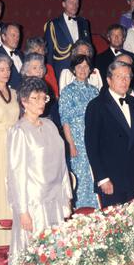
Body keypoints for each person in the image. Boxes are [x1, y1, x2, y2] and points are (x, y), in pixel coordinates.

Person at [7, 77, 72, 265]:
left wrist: (66, 195)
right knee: (34, 255)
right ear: (24, 101)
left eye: (43, 98)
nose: (40, 102)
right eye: (35, 98)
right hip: (33, 203)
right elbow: (16, 174)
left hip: (55, 199)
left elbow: (62, 164)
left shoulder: (50, 125)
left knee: (55, 252)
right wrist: (22, 211)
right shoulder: (19, 131)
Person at [85, 61, 134, 208]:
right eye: (119, 76)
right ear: (108, 80)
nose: (124, 80)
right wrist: (102, 178)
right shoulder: (96, 105)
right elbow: (91, 146)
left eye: (127, 76)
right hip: (111, 178)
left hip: (132, 176)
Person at [59, 55, 99, 208]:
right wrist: (71, 144)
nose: (82, 70)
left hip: (94, 140)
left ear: (90, 70)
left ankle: (96, 213)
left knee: (94, 175)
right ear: (73, 69)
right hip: (77, 141)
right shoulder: (67, 92)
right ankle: (81, 215)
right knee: (80, 178)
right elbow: (65, 120)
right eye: (79, 66)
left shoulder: (95, 92)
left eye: (86, 66)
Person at [0, 54, 20, 247]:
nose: (6, 73)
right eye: (1, 69)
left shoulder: (14, 93)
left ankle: (13, 237)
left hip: (14, 145)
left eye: (8, 69)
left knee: (11, 188)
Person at [44, 0, 92, 79]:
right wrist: (50, 76)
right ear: (63, 4)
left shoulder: (84, 22)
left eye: (76, 3)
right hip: (61, 70)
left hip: (82, 70)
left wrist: (91, 68)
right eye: (71, 2)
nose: (74, 6)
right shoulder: (53, 24)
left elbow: (89, 47)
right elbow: (49, 52)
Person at [0, 23, 23, 89]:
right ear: (3, 37)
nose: (16, 39)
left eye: (18, 36)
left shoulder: (21, 55)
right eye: (13, 35)